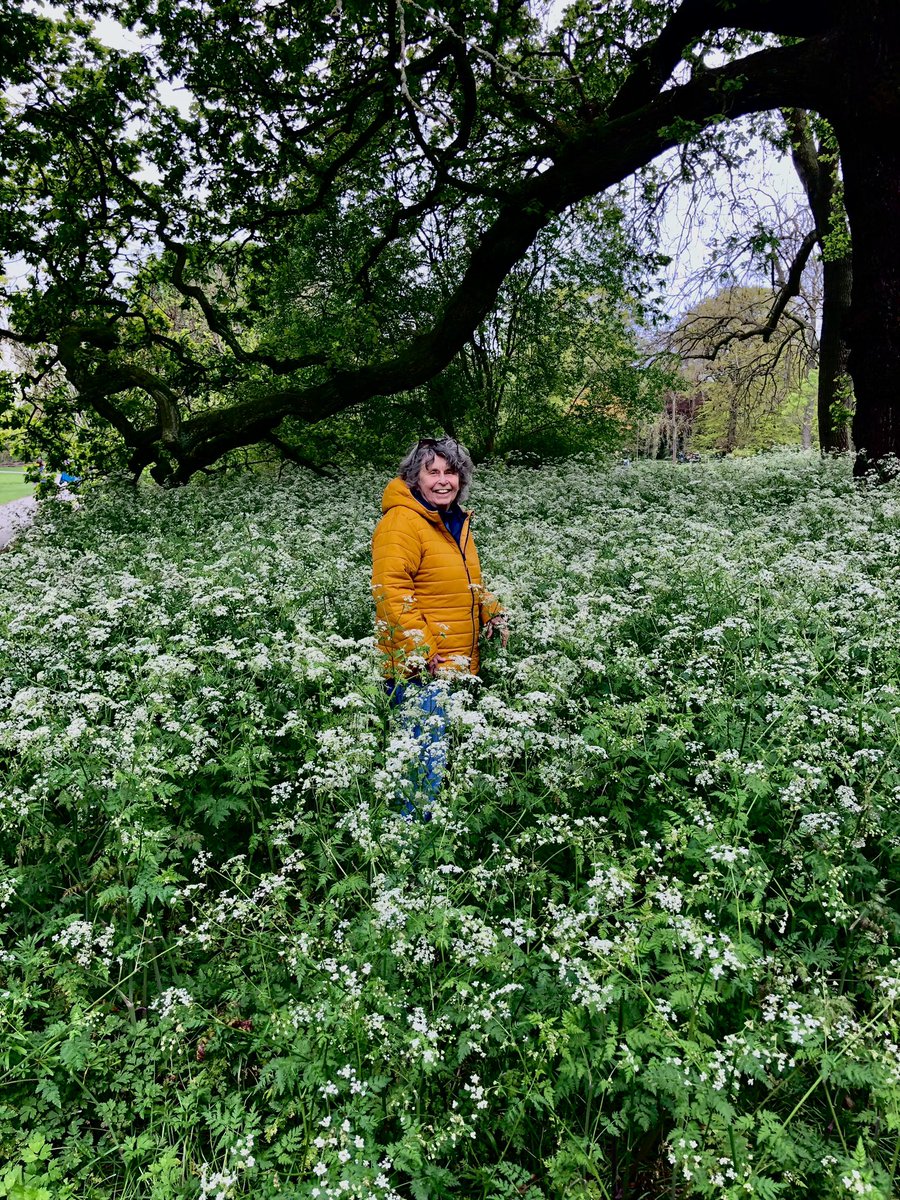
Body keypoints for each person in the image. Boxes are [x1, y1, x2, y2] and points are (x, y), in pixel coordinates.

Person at [371, 437, 508, 818]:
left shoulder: (452, 521)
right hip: (422, 670)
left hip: (452, 664)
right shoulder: (402, 522)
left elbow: (463, 581)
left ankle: (425, 839)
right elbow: (391, 594)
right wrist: (424, 651)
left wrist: (490, 611)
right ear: (415, 478)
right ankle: (409, 851)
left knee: (436, 760)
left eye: (451, 472)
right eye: (433, 472)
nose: (443, 480)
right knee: (421, 769)